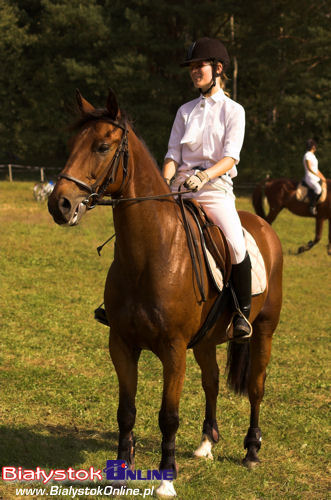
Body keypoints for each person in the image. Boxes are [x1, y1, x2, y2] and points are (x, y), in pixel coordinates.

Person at [162, 37, 251, 342]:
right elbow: (173, 156)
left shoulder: (233, 111)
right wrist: (166, 181)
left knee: (237, 245)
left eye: (199, 65)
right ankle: (120, 300)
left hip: (214, 191)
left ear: (218, 68)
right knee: (143, 226)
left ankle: (242, 313)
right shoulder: (184, 111)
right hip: (180, 190)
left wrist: (203, 178)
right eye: (192, 66)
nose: (194, 71)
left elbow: (230, 157)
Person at [302, 139, 326, 215]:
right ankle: (312, 207)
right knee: (318, 189)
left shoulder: (313, 156)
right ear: (313, 146)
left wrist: (323, 177)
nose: (316, 147)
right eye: (315, 145)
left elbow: (316, 169)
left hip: (315, 177)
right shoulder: (307, 155)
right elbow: (309, 168)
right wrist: (317, 175)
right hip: (309, 177)